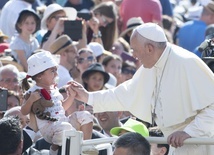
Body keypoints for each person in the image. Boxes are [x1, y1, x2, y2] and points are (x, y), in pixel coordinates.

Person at [70, 23, 214, 155]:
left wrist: (189, 132)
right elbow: (125, 94)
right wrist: (89, 97)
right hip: (178, 143)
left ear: (149, 48)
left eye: (135, 50)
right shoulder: (151, 65)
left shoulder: (186, 63)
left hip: (199, 142)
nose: (133, 55)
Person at [21, 50, 93, 155]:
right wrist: (31, 100)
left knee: (86, 115)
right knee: (65, 127)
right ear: (40, 76)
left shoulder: (54, 89)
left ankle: (86, 146)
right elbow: (24, 111)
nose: (56, 74)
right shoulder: (32, 92)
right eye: (52, 71)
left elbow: (62, 108)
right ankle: (54, 148)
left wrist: (71, 96)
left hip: (64, 122)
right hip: (48, 128)